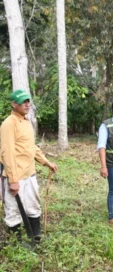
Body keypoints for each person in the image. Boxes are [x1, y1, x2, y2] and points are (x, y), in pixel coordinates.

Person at [0, 89, 58, 244]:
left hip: (29, 173)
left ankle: (35, 236)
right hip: (16, 176)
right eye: (22, 101)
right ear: (14, 104)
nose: (26, 104)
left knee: (33, 206)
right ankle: (17, 243)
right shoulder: (8, 124)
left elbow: (32, 147)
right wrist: (13, 180)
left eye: (27, 101)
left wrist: (47, 162)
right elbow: (7, 153)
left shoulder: (26, 122)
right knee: (13, 210)